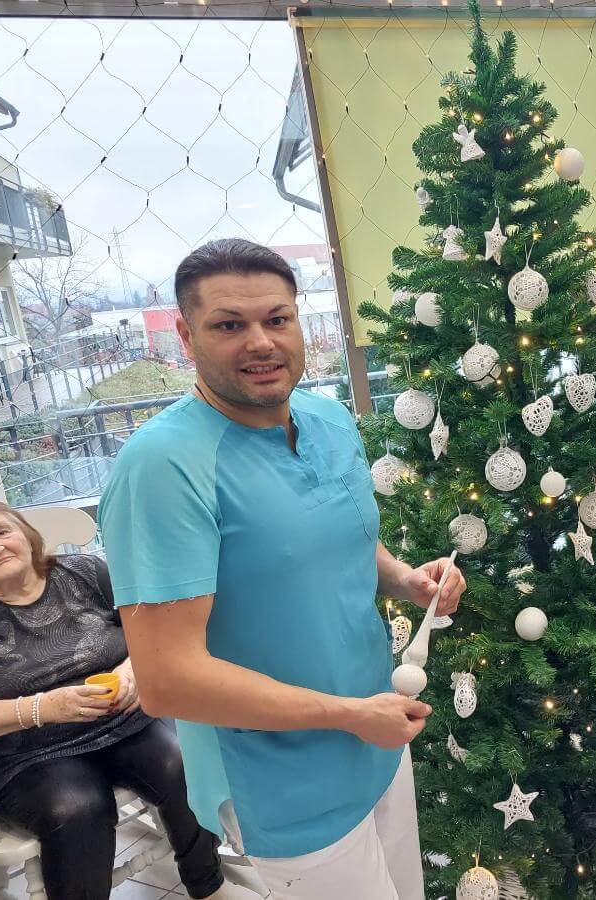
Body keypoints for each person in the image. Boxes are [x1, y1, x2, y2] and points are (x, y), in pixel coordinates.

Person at [98, 238, 466, 900]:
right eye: (229, 325)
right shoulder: (162, 468)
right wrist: (348, 714)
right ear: (185, 335)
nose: (260, 342)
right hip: (281, 779)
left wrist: (404, 578)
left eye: (277, 319)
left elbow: (335, 539)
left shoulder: (328, 420)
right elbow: (167, 679)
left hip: (379, 727)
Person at [0, 498, 258, 900]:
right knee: (77, 807)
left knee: (181, 763)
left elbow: (151, 633)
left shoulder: (85, 572)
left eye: (2, 531)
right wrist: (42, 708)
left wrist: (133, 670)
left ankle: (206, 883)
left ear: (26, 534)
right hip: (25, 754)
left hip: (124, 721)